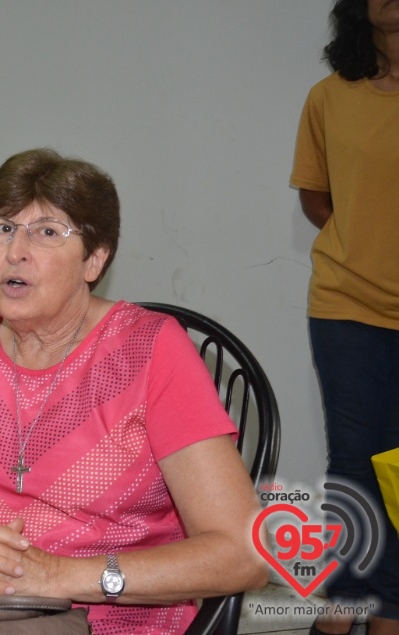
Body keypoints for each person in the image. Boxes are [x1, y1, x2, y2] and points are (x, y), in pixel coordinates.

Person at [0, 148, 267, 635]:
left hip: (110, 617)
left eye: (47, 232)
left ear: (94, 259)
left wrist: (55, 575)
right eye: (2, 228)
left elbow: (243, 553)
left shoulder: (152, 351)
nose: (15, 251)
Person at [290, 1, 399, 634]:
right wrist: (362, 243)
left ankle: (389, 605)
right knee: (354, 459)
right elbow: (315, 194)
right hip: (344, 304)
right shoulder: (328, 97)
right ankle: (346, 599)